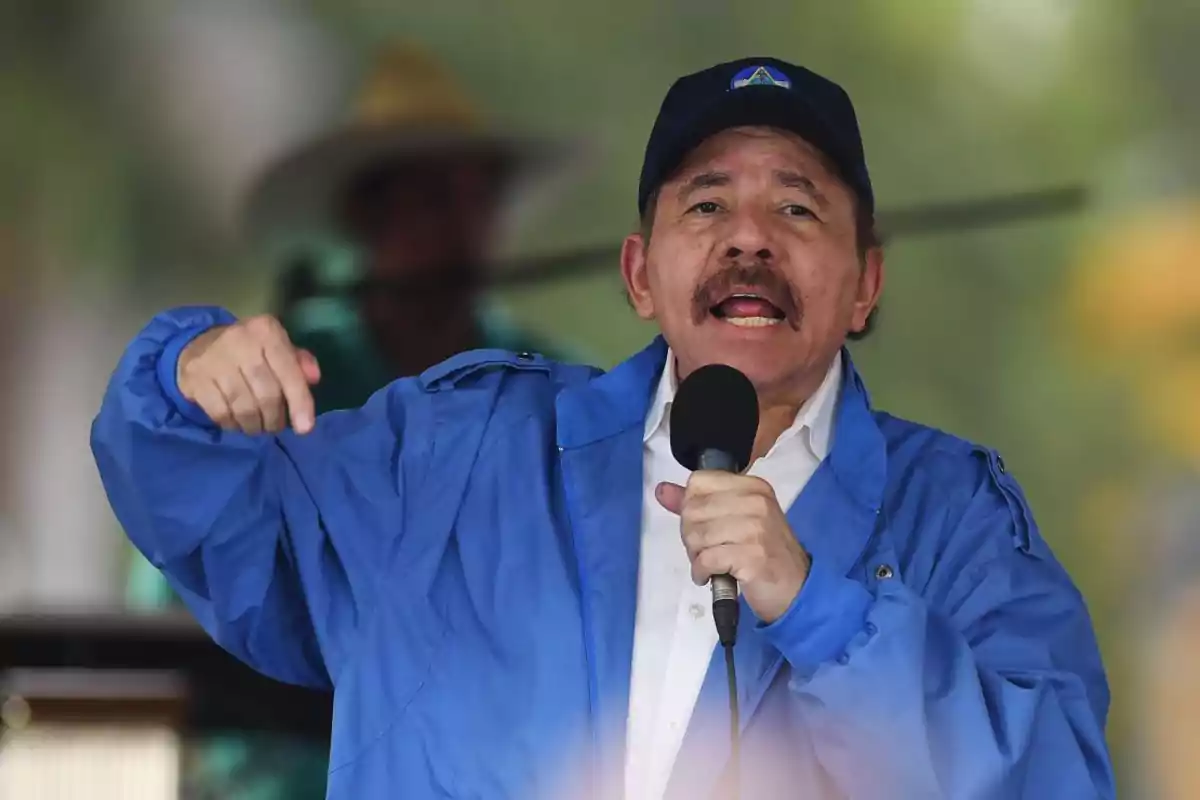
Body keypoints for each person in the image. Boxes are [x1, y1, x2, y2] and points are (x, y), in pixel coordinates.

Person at [93, 57, 1114, 798]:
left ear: (867, 284)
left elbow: (1054, 778)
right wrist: (185, 374)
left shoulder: (957, 520)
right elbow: (204, 514)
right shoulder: (457, 453)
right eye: (707, 206)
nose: (750, 237)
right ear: (639, 275)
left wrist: (821, 611)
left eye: (798, 210)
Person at [121, 41, 582, 800]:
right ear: (368, 216)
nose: (463, 226)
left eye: (478, 198)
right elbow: (176, 588)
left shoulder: (556, 393)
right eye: (433, 199)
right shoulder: (276, 373)